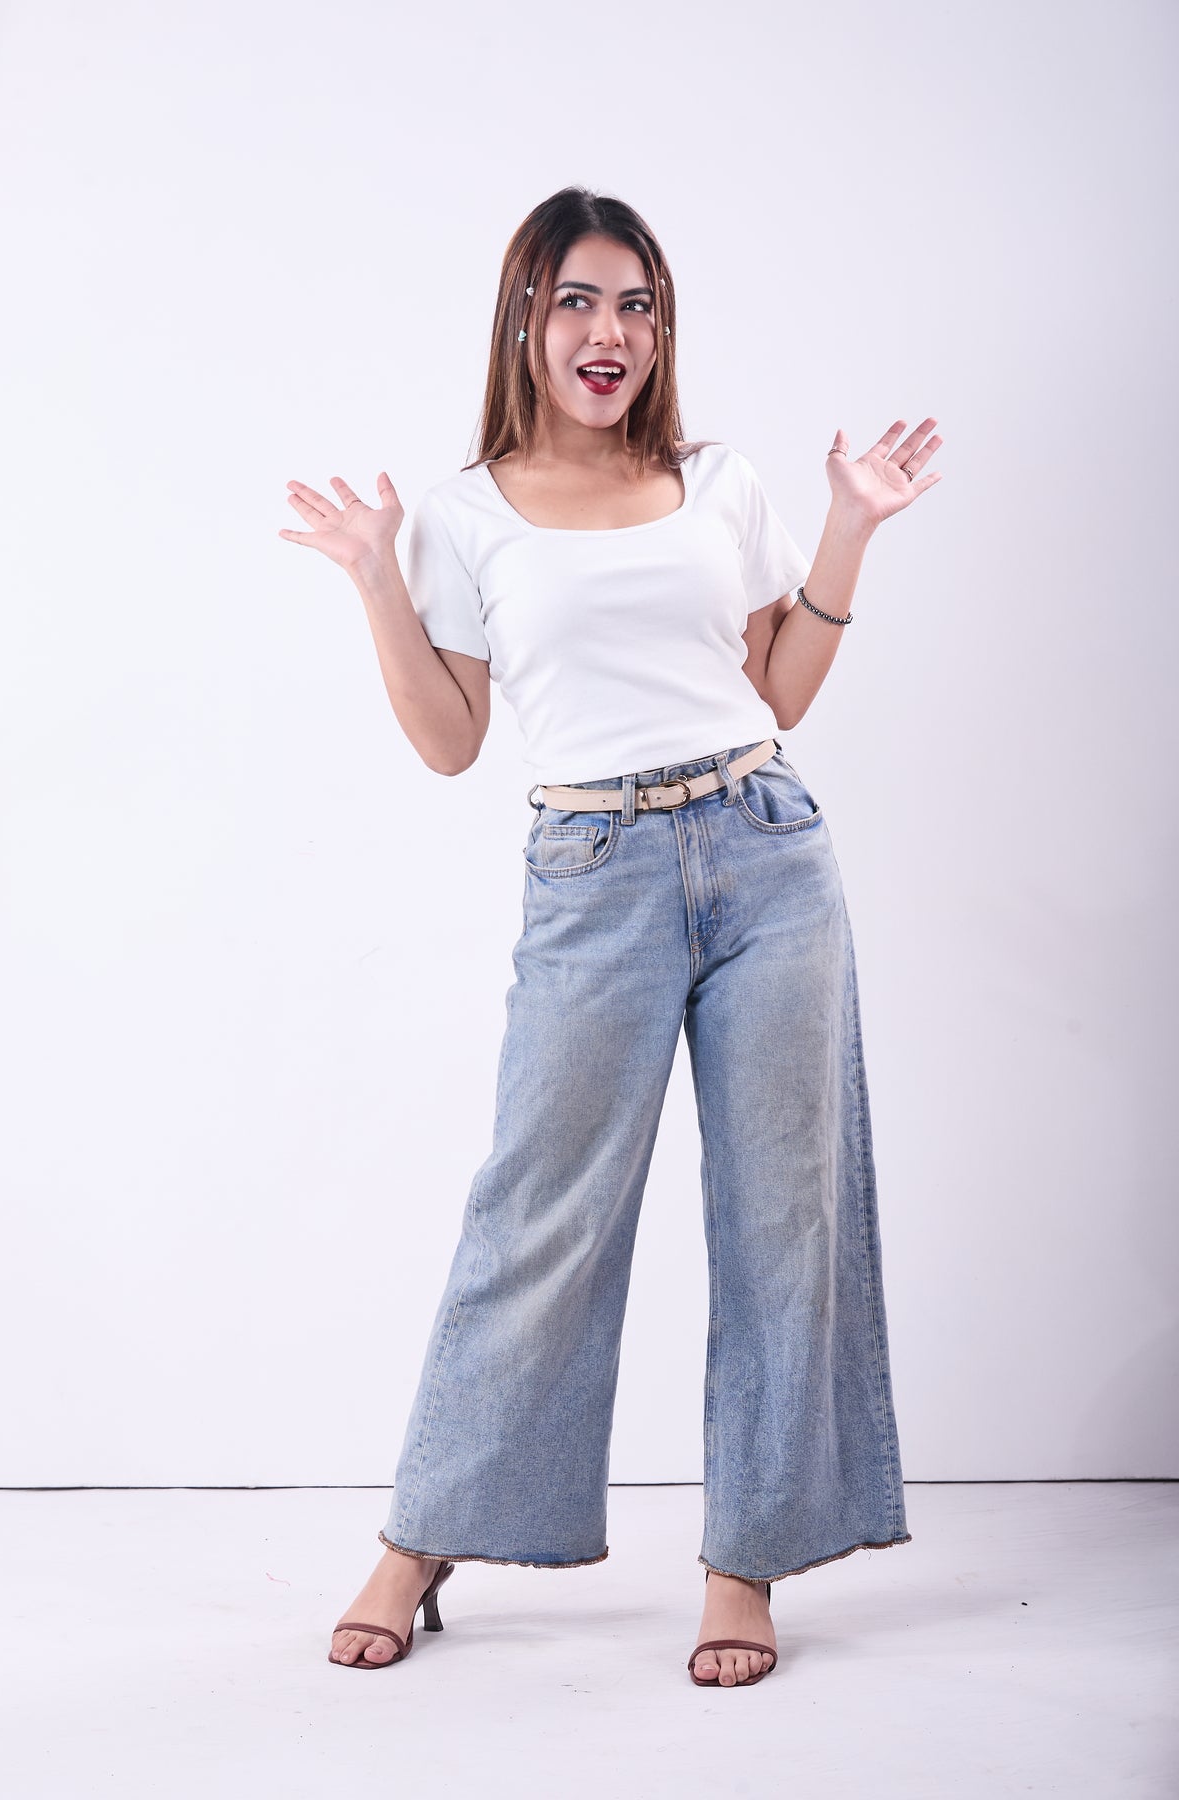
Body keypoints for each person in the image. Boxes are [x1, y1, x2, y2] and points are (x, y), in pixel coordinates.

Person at [278, 185, 942, 1689]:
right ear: (528, 317)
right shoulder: (462, 513)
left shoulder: (718, 481)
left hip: (769, 852)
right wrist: (377, 576)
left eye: (637, 305)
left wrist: (849, 530)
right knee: (541, 1210)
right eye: (580, 301)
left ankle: (746, 1560)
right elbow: (451, 742)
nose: (611, 332)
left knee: (786, 1214)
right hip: (594, 866)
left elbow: (777, 692)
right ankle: (426, 1532)